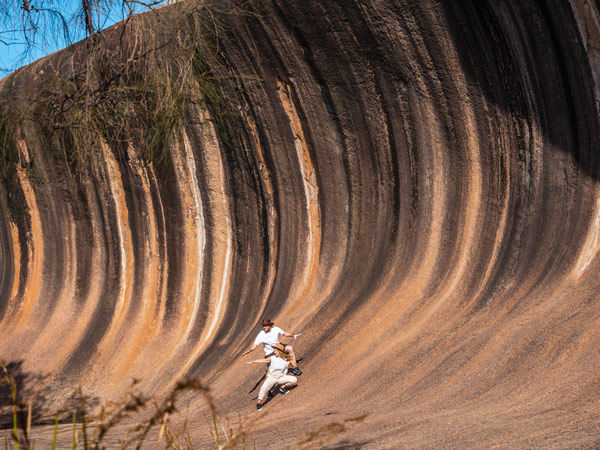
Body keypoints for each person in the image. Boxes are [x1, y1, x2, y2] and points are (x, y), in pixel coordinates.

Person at [247, 343, 298, 411]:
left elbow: (293, 364)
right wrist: (253, 361)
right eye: (274, 350)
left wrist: (292, 363)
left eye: (275, 350)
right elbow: (264, 360)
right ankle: (259, 403)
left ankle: (282, 387)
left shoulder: (285, 359)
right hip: (272, 377)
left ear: (280, 352)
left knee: (294, 379)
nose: (274, 352)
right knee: (264, 387)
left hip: (280, 378)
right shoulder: (273, 358)